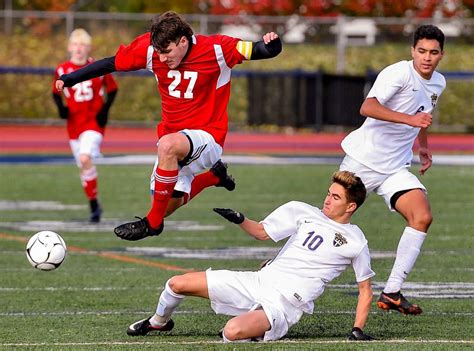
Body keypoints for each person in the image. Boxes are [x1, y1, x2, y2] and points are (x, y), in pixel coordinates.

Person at [55, 11, 282, 239]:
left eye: (167, 52)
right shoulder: (152, 49)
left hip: (208, 135)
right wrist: (70, 78)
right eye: (159, 53)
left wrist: (272, 44)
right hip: (174, 135)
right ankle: (213, 177)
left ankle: (151, 225)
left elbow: (258, 50)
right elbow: (111, 63)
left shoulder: (217, 48)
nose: (162, 59)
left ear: (183, 41)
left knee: (167, 147)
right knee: (165, 206)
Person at [125, 171, 375, 342]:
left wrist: (357, 330)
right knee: (176, 284)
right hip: (259, 281)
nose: (327, 199)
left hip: (284, 304)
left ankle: (256, 326)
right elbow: (262, 232)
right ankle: (159, 322)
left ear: (351, 206)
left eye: (336, 197)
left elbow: (365, 289)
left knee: (232, 332)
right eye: (329, 193)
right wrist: (240, 219)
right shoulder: (303, 211)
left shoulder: (356, 241)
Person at [340, 25, 446, 315]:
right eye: (421, 51)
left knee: (422, 216)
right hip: (362, 161)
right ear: (413, 51)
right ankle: (279, 266)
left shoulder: (438, 82)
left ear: (441, 55)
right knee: (330, 225)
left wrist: (422, 146)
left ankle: (392, 292)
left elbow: (423, 115)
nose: (427, 57)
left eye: (433, 52)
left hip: (395, 168)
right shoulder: (398, 72)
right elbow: (368, 107)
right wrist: (409, 121)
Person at [52, 28, 118, 223]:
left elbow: (113, 90)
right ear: (69, 47)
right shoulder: (62, 69)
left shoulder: (96, 68)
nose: (79, 49)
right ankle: (94, 204)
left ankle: (94, 205)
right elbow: (55, 93)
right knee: (83, 165)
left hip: (93, 123)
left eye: (83, 45)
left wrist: (105, 110)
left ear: (88, 48)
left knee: (84, 157)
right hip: (74, 125)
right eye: (75, 44)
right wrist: (60, 109)